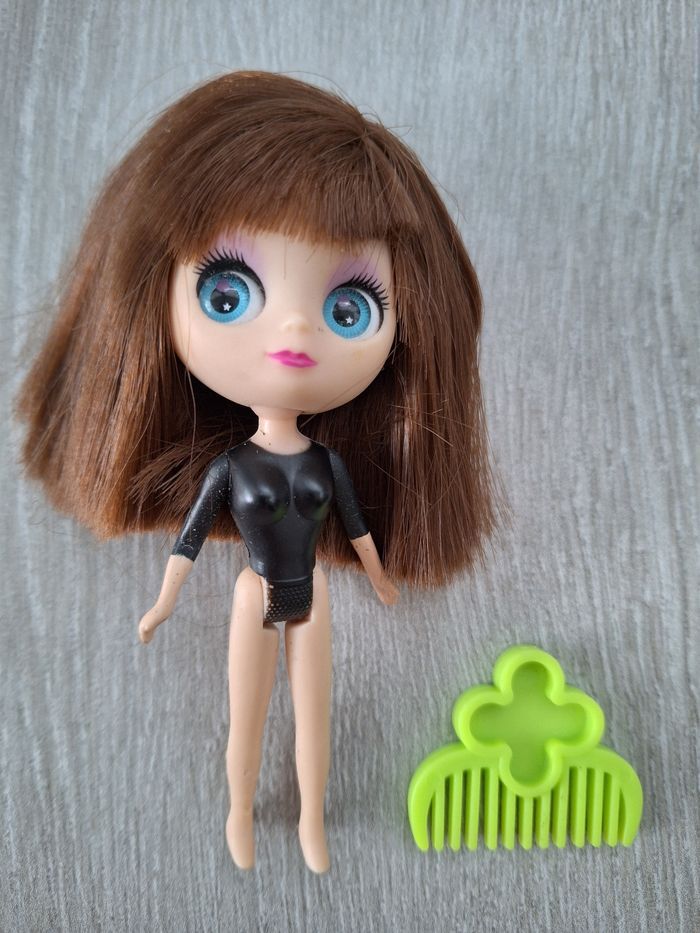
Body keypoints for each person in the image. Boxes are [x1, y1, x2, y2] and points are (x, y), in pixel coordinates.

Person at [18, 71, 498, 873]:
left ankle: (311, 820)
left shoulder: (328, 462)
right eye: (229, 293)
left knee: (314, 720)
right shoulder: (232, 466)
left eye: (349, 308)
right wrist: (163, 602)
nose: (296, 328)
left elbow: (357, 526)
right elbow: (190, 538)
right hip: (254, 592)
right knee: (249, 716)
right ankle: (240, 811)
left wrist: (382, 578)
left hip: (311, 595)